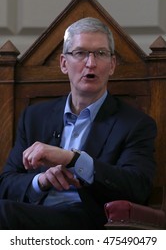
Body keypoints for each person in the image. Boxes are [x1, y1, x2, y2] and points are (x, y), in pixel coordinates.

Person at [0, 17, 157, 230]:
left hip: (88, 222)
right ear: (64, 63)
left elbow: (137, 188)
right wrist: (41, 181)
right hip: (31, 213)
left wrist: (73, 159)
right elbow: (6, 183)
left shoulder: (135, 124)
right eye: (80, 53)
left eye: (100, 54)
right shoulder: (34, 117)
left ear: (111, 65)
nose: (90, 63)